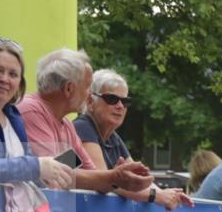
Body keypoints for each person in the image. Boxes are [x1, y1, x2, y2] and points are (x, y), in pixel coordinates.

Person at [17, 49, 153, 193]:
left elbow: (93, 176)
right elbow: (52, 177)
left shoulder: (66, 125)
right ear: (69, 88)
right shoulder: (31, 111)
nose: (90, 94)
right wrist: (113, 177)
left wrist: (115, 178)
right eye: (88, 86)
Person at [74, 68, 190, 210]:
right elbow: (103, 181)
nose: (120, 106)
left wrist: (168, 194)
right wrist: (156, 196)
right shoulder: (82, 127)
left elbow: (139, 179)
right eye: (112, 99)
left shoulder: (113, 138)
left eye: (125, 101)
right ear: (91, 102)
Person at [0, 37, 73, 189]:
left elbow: (27, 174)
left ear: (19, 83)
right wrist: (37, 167)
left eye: (13, 74)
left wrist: (49, 177)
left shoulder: (14, 116)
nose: (4, 79)